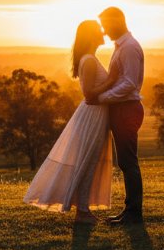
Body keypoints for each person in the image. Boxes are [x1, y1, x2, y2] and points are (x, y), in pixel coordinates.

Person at [22, 20, 114, 224]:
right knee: (87, 162)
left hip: (95, 115)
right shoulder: (89, 60)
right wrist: (111, 81)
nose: (104, 33)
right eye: (99, 30)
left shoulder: (90, 58)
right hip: (93, 115)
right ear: (90, 35)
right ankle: (82, 212)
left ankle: (84, 209)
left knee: (89, 161)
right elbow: (89, 95)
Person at [86, 6, 145, 226]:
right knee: (126, 162)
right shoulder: (122, 46)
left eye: (106, 25)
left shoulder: (129, 48)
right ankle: (129, 210)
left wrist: (101, 98)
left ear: (117, 22)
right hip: (122, 108)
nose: (104, 30)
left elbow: (128, 84)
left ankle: (134, 213)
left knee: (129, 162)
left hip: (126, 108)